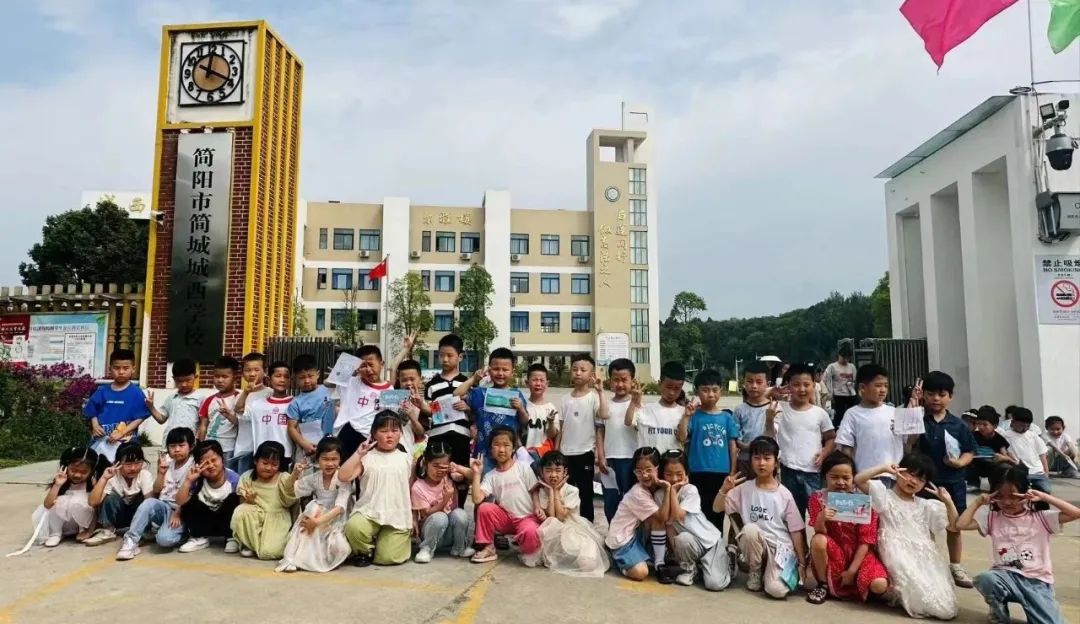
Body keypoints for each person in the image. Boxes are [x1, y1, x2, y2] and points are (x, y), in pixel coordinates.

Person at [953, 465, 1079, 624]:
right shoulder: (993, 518)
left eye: (1013, 496)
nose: (1007, 502)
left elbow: (1076, 513)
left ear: (1026, 494)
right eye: (1001, 496)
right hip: (1005, 576)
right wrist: (978, 501)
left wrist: (1044, 497)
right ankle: (998, 612)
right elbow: (961, 525)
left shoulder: (1041, 518)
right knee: (986, 579)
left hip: (1036, 582)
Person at [854, 454, 959, 620]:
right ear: (899, 471)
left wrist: (948, 502)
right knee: (906, 575)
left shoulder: (926, 505)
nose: (914, 481)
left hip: (924, 554)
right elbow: (858, 480)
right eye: (911, 474)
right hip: (894, 549)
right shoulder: (885, 496)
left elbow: (954, 525)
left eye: (921, 479)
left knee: (944, 607)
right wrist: (884, 468)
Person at [716, 436, 807, 599]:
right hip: (756, 543)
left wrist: (801, 561)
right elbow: (717, 508)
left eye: (767, 458)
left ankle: (770, 570)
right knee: (750, 530)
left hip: (779, 548)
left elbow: (795, 530)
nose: (761, 463)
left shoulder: (784, 494)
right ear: (751, 461)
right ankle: (755, 571)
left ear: (776, 463)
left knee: (776, 591)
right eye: (756, 458)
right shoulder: (743, 489)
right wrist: (724, 489)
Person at [909, 371, 977, 587]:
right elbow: (908, 441)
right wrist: (913, 404)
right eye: (930, 394)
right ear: (924, 396)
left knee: (954, 526)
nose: (936, 399)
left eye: (941, 394)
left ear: (950, 396)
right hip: (924, 483)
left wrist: (960, 463)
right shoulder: (918, 420)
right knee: (924, 524)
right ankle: (926, 564)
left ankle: (956, 565)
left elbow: (969, 451)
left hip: (953, 483)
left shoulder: (959, 425)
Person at [805, 451, 889, 605]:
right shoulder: (817, 499)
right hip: (834, 553)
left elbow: (866, 541)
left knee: (880, 585)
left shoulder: (863, 502)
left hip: (861, 554)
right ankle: (823, 584)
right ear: (825, 477)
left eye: (846, 478)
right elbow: (819, 534)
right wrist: (821, 518)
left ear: (853, 478)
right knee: (817, 540)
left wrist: (851, 571)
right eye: (834, 477)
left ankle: (861, 589)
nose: (840, 482)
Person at [340, 411, 414, 566]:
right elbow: (343, 476)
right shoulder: (366, 457)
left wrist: (413, 516)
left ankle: (384, 544)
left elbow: (411, 487)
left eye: (394, 431)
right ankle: (365, 550)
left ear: (400, 433)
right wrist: (358, 454)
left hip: (397, 516)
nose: (389, 436)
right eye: (384, 431)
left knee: (387, 558)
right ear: (374, 433)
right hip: (369, 512)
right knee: (354, 527)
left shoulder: (407, 458)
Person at [764, 363, 835, 520]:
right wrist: (772, 394)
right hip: (788, 471)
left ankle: (817, 544)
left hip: (813, 473)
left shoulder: (820, 414)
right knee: (793, 518)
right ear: (788, 385)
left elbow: (831, 438)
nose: (802, 389)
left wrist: (824, 453)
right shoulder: (780, 408)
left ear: (814, 385)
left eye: (806, 385)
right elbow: (756, 396)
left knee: (818, 517)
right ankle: (799, 545)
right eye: (796, 385)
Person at [116, 427, 196, 560]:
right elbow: (157, 490)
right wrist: (161, 473)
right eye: (172, 446)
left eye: (181, 445)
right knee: (148, 503)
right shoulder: (167, 462)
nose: (176, 450)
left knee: (164, 540)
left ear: (191, 446)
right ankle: (131, 541)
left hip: (182, 510)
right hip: (163, 506)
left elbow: (193, 494)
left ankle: (185, 534)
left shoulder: (193, 464)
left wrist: (178, 512)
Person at [656, 450, 730, 590]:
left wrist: (672, 491)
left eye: (679, 474)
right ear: (662, 474)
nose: (674, 479)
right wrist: (677, 556)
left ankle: (729, 563)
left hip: (710, 543)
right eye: (668, 474)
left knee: (714, 584)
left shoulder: (690, 490)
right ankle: (689, 569)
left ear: (686, 475)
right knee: (682, 538)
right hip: (691, 544)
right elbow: (667, 522)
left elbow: (678, 515)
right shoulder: (659, 495)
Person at [676, 368, 739, 532]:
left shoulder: (727, 418)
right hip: (697, 472)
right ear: (697, 391)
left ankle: (717, 548)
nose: (710, 394)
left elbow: (733, 447)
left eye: (715, 390)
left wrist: (732, 472)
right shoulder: (694, 416)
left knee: (718, 512)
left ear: (721, 391)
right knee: (698, 512)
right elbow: (682, 437)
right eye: (705, 390)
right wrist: (686, 416)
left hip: (721, 473)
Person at [528, 450, 608, 577]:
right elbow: (552, 518)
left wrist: (555, 491)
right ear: (542, 472)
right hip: (551, 529)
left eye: (558, 470)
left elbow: (561, 516)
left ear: (565, 472)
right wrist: (551, 491)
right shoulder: (541, 491)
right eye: (548, 470)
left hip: (573, 527)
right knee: (551, 524)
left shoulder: (572, 490)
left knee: (588, 564)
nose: (553, 475)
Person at [468, 426, 541, 564]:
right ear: (491, 449)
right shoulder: (491, 476)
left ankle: (524, 541)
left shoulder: (523, 468)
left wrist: (538, 509)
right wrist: (477, 474)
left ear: (513, 448)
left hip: (527, 519)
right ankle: (488, 547)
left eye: (506, 445)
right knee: (484, 508)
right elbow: (477, 498)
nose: (501, 450)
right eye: (496, 445)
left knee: (531, 541)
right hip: (507, 519)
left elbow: (535, 491)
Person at [279, 436, 352, 573]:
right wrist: (295, 473)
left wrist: (316, 522)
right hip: (317, 513)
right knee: (312, 512)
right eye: (325, 459)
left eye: (334, 459)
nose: (329, 464)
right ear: (317, 460)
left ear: (340, 460)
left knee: (341, 549)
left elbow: (340, 508)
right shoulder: (315, 478)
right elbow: (290, 490)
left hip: (335, 518)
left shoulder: (343, 478)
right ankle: (296, 560)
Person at [453, 347, 529, 472]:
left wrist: (520, 409)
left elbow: (525, 422)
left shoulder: (517, 395)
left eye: (505, 370)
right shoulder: (480, 393)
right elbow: (456, 394)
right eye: (496, 369)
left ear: (512, 372)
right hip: (484, 453)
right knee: (483, 488)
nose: (500, 373)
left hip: (508, 454)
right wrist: (473, 379)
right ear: (489, 369)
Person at [604, 447, 672, 581]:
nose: (644, 475)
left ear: (658, 468)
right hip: (622, 540)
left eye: (648, 470)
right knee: (641, 572)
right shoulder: (638, 493)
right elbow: (662, 517)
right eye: (639, 471)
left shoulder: (653, 489)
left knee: (656, 521)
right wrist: (668, 489)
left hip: (637, 534)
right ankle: (619, 562)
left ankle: (659, 563)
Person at [555, 353, 608, 524]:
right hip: (565, 454)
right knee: (564, 493)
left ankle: (587, 529)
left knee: (585, 494)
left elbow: (604, 416)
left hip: (585, 453)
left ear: (591, 375)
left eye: (583, 370)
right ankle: (565, 526)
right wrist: (556, 452)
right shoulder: (564, 400)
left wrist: (600, 392)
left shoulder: (593, 398)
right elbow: (561, 428)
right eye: (575, 369)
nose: (578, 373)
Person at [423, 334, 472, 505]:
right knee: (437, 473)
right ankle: (437, 510)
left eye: (449, 355)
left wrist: (468, 408)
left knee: (460, 475)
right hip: (438, 436)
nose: (444, 359)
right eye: (441, 355)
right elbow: (429, 411)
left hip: (462, 437)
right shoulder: (432, 385)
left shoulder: (468, 383)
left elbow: (475, 415)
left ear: (460, 356)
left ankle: (459, 511)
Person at [230, 441, 298, 560]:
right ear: (256, 461)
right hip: (256, 516)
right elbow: (241, 505)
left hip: (277, 519)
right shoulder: (247, 477)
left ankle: (260, 546)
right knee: (241, 511)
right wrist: (249, 501)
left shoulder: (284, 477)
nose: (268, 468)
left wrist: (294, 477)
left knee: (268, 553)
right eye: (265, 463)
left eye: (274, 464)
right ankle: (249, 545)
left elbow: (289, 502)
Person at [835, 364, 904, 479]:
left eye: (886, 386)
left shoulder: (895, 412)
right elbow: (846, 448)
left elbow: (909, 444)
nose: (883, 390)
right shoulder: (852, 414)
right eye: (878, 386)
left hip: (894, 476)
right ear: (862, 387)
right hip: (865, 477)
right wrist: (849, 475)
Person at [411, 441, 474, 563]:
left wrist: (457, 468)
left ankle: (459, 547)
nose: (439, 470)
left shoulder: (449, 478)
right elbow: (427, 513)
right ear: (426, 463)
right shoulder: (418, 487)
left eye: (444, 466)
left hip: (448, 534)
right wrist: (445, 499)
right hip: (431, 531)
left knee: (460, 513)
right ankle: (426, 549)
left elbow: (474, 475)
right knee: (440, 517)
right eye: (435, 465)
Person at [176, 439, 241, 553]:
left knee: (234, 499)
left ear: (222, 459)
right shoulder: (196, 479)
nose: (211, 465)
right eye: (205, 463)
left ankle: (232, 538)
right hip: (204, 522)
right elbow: (180, 502)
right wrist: (188, 481)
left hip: (225, 524)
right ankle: (199, 538)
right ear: (198, 465)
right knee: (190, 501)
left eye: (214, 460)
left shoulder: (234, 479)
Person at [84, 349, 149, 463]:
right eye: (116, 368)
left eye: (125, 368)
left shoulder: (136, 393)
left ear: (133, 369)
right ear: (110, 369)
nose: (121, 372)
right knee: (98, 468)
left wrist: (122, 433)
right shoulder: (102, 391)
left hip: (126, 442)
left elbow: (139, 418)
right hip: (101, 441)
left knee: (125, 469)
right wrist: (95, 425)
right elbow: (92, 410)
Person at [85, 442, 153, 546]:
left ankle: (142, 530)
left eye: (138, 463)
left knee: (145, 500)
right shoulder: (112, 476)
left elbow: (150, 503)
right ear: (118, 463)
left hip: (138, 517)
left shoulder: (144, 475)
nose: (133, 468)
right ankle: (108, 531)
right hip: (119, 518)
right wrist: (104, 478)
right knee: (111, 497)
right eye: (128, 464)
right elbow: (93, 502)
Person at [334, 345, 395, 460]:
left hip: (370, 437)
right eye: (363, 366)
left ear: (381, 364)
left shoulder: (389, 390)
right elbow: (331, 380)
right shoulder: (352, 382)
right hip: (347, 432)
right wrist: (353, 366)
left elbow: (390, 416)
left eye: (371, 364)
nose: (368, 369)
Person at [32, 446, 100, 547]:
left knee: (80, 501)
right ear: (65, 467)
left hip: (82, 522)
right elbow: (47, 505)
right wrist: (57, 485)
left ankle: (83, 529)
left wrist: (90, 530)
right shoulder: (62, 481)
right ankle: (55, 533)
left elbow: (96, 508)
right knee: (57, 502)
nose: (77, 475)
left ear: (91, 471)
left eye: (83, 472)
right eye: (73, 470)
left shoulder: (92, 483)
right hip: (63, 522)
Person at [598, 358, 638, 523]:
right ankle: (612, 537)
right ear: (610, 381)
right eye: (616, 380)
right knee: (611, 501)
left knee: (632, 501)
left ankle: (631, 538)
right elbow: (600, 430)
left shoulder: (638, 404)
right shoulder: (605, 404)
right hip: (610, 460)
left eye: (624, 380)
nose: (620, 384)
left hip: (632, 459)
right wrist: (600, 455)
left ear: (632, 381)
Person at [625, 361, 685, 454]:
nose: (672, 392)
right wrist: (633, 401)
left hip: (672, 466)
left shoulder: (684, 413)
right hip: (648, 465)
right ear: (660, 384)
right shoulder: (646, 409)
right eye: (668, 387)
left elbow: (683, 438)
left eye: (676, 389)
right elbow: (628, 421)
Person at [287, 354, 336, 464]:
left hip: (331, 444)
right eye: (302, 377)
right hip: (308, 446)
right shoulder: (296, 402)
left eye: (310, 376)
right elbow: (291, 428)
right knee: (304, 477)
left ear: (318, 374)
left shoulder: (329, 390)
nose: (307, 380)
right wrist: (304, 444)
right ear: (295, 378)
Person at [247, 361, 294, 471]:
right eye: (278, 376)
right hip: (261, 455)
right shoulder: (257, 405)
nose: (282, 380)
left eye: (286, 377)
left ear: (290, 380)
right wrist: (246, 392)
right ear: (268, 380)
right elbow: (239, 411)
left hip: (286, 455)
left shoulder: (295, 403)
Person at [147, 357, 203, 445]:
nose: (184, 384)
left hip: (190, 444)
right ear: (174, 379)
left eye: (188, 380)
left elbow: (203, 424)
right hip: (170, 443)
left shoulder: (200, 399)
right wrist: (151, 407)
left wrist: (199, 441)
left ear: (195, 377)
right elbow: (161, 419)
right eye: (179, 381)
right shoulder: (171, 399)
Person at [231, 352, 270, 475]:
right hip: (243, 449)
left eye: (256, 370)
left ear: (265, 371)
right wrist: (246, 393)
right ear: (242, 373)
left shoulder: (271, 393)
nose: (252, 374)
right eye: (248, 370)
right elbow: (238, 410)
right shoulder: (240, 396)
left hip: (264, 450)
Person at [196, 356, 241, 461]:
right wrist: (201, 446)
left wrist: (229, 414)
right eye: (217, 376)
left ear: (235, 377)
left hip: (229, 449)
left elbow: (241, 423)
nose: (220, 380)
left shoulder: (239, 398)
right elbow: (203, 426)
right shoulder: (208, 400)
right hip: (209, 449)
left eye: (225, 376)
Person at [733, 361, 771, 477]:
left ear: (767, 383)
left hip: (766, 461)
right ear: (743, 382)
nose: (754, 386)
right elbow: (735, 437)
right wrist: (746, 447)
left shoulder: (774, 407)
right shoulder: (739, 410)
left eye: (759, 382)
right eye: (750, 381)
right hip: (745, 460)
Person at [1001, 407, 1051, 493]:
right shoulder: (1005, 436)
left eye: (1028, 426)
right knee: (1019, 491)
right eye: (1021, 425)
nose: (1025, 428)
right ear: (1012, 422)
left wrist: (1046, 472)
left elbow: (1042, 455)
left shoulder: (1033, 436)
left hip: (1037, 472)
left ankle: (1032, 488)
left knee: (1046, 491)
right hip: (1019, 473)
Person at [968, 406, 1015, 491]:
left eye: (985, 424)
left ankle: (995, 487)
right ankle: (973, 484)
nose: (981, 427)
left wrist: (1002, 458)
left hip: (993, 465)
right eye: (979, 424)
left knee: (1003, 467)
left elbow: (1005, 456)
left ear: (995, 426)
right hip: (976, 464)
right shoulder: (973, 435)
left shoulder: (999, 439)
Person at [392, 357, 429, 459]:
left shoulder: (423, 404)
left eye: (412, 379)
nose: (408, 383)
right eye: (404, 380)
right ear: (398, 380)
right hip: (390, 449)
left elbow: (421, 433)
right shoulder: (391, 397)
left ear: (420, 379)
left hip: (412, 453)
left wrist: (412, 417)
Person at [522, 363, 559, 459]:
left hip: (544, 456)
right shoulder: (522, 405)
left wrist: (550, 422)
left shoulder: (551, 408)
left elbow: (551, 435)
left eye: (542, 380)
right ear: (527, 383)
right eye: (534, 380)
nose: (538, 383)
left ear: (547, 384)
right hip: (523, 456)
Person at [824, 344, 858, 428]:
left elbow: (855, 379)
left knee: (852, 413)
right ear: (839, 355)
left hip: (850, 393)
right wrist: (829, 393)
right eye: (844, 357)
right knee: (840, 414)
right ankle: (836, 429)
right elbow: (826, 379)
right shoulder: (832, 366)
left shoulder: (852, 366)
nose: (846, 359)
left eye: (847, 358)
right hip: (838, 394)